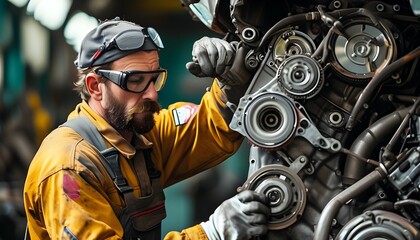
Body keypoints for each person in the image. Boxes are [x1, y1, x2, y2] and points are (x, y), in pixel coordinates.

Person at [23, 17, 270, 240]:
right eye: (135, 81)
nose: (151, 93)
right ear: (96, 86)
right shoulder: (69, 166)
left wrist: (231, 74)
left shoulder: (140, 136)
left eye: (153, 79)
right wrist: (209, 233)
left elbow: (213, 126)